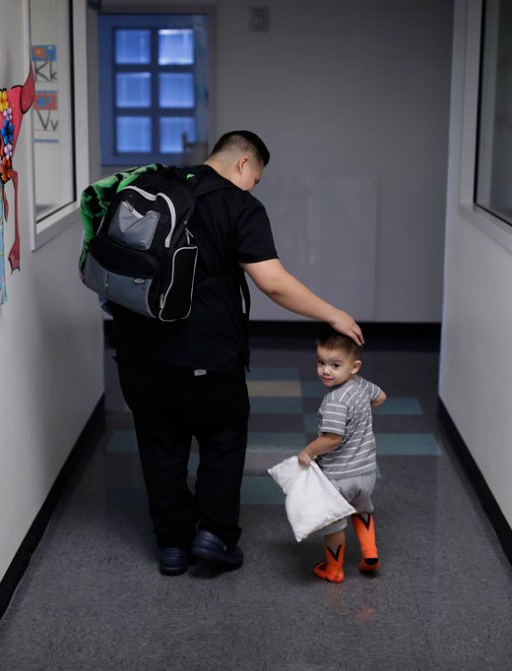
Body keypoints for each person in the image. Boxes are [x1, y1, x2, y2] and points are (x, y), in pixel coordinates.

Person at [109, 131, 365, 576]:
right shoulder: (238, 204)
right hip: (207, 354)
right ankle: (215, 536)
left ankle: (172, 546)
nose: (253, 187)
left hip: (139, 351)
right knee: (222, 439)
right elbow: (273, 283)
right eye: (256, 178)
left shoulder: (152, 185)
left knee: (160, 443)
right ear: (244, 163)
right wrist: (334, 314)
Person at [298, 332, 387, 583]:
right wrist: (359, 416)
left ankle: (334, 570)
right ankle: (370, 554)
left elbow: (332, 438)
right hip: (366, 473)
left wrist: (308, 452)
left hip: (339, 478)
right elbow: (381, 397)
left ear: (354, 366)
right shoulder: (361, 386)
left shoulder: (335, 401)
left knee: (334, 524)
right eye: (321, 362)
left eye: (335, 365)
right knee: (362, 510)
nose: (326, 370)